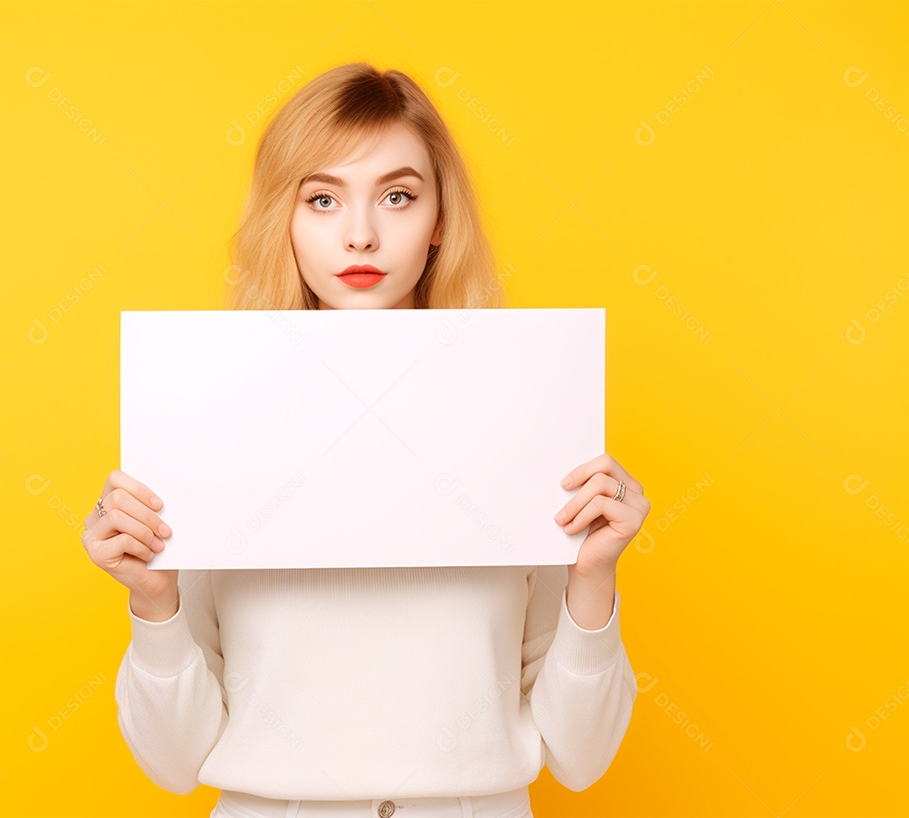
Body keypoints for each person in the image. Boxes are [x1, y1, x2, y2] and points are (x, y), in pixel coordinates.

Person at [82, 62, 651, 818]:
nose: (360, 234)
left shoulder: (520, 410)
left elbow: (581, 757)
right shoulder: (217, 416)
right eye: (321, 198)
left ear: (440, 219)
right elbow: (174, 763)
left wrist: (593, 578)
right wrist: (155, 601)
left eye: (397, 196)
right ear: (283, 218)